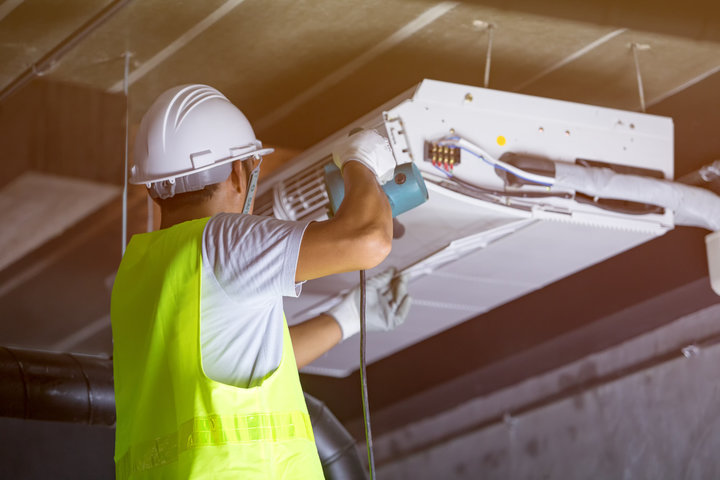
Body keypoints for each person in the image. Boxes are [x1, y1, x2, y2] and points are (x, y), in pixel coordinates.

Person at [110, 84, 412, 479]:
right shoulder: (222, 240)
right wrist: (361, 160)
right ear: (240, 172)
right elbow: (369, 239)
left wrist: (349, 316)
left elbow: (246, 366)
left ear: (154, 187)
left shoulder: (139, 273)